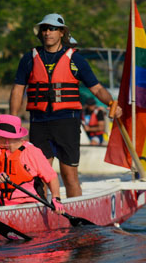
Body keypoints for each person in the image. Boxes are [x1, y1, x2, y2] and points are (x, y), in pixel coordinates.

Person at [9, 13, 121, 197]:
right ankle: (43, 214)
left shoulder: (76, 60)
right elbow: (17, 90)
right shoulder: (29, 58)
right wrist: (13, 120)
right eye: (44, 29)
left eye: (52, 29)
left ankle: (75, 217)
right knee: (40, 176)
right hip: (40, 122)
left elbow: (97, 88)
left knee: (69, 176)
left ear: (61, 32)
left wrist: (111, 103)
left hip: (67, 122)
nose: (47, 32)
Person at [0, 115, 64, 213]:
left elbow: (51, 177)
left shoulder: (32, 152)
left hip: (27, 201)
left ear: (7, 137)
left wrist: (56, 198)